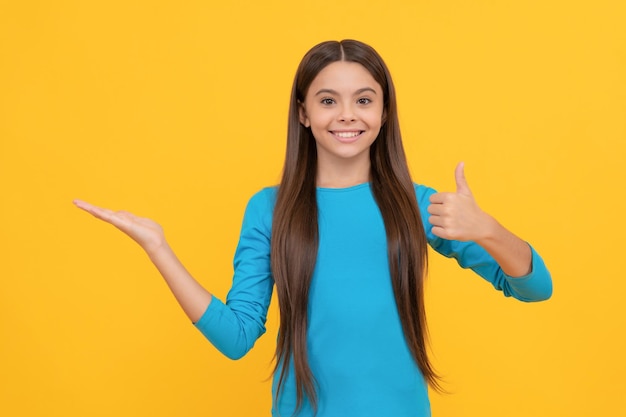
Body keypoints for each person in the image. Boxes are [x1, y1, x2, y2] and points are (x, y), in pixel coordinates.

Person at [74, 39, 552, 417]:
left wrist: (487, 228)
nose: (347, 113)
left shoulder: (418, 204)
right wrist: (158, 247)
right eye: (328, 100)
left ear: (384, 114)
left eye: (364, 99)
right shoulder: (270, 210)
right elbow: (237, 337)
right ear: (303, 113)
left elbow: (535, 289)